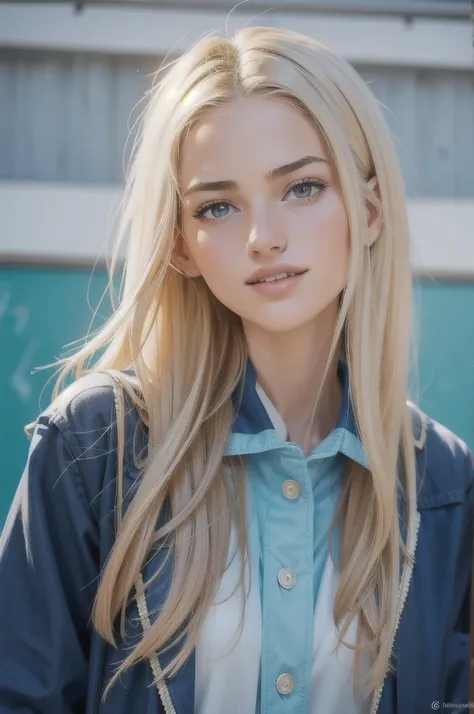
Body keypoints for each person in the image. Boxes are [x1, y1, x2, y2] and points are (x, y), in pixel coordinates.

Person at [0, 25, 472, 714]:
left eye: (303, 188)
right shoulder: (95, 446)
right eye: (217, 206)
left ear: (369, 210)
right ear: (183, 245)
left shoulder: (443, 484)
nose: (262, 237)